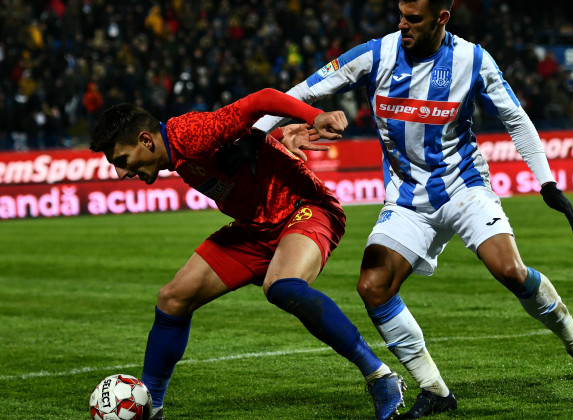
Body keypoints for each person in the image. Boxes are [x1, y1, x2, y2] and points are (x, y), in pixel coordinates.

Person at [253, 0, 573, 417]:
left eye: (413, 19)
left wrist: (547, 182)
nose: (403, 25)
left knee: (509, 270)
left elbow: (516, 119)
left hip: (463, 188)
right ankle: (434, 390)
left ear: (441, 18)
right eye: (401, 15)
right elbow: (302, 92)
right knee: (373, 287)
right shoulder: (376, 54)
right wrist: (250, 133)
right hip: (407, 199)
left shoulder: (472, 58)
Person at [89, 88, 406, 420]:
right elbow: (240, 139)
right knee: (173, 298)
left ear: (146, 140)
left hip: (305, 209)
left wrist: (313, 116)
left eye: (122, 161)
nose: (120, 174)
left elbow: (261, 99)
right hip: (255, 230)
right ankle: (151, 406)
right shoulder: (179, 150)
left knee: (282, 286)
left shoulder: (190, 134)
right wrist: (276, 135)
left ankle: (381, 378)